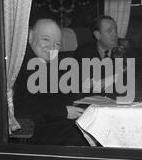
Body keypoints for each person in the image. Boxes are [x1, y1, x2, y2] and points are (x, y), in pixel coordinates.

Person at [13, 18, 88, 146]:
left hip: (55, 124)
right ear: (30, 36)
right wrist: (63, 111)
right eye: (46, 39)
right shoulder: (19, 65)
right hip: (34, 133)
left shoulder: (49, 63)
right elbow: (25, 109)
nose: (52, 47)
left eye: (57, 44)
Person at [74, 15, 142, 101]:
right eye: (109, 31)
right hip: (96, 103)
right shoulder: (83, 52)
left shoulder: (127, 46)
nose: (115, 34)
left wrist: (114, 78)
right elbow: (81, 82)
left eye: (115, 29)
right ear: (97, 35)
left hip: (123, 99)